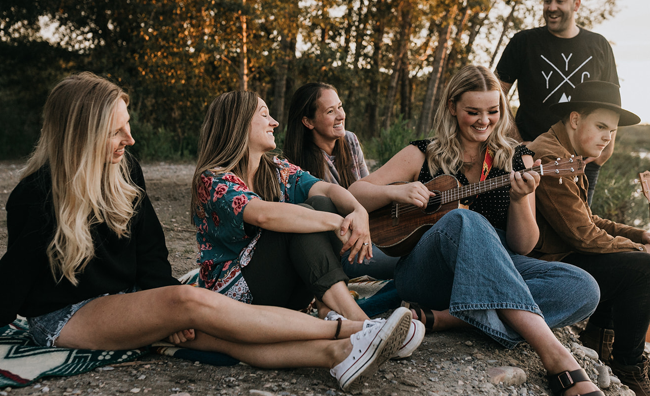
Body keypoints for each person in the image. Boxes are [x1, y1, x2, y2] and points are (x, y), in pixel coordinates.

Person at [0, 72, 415, 392]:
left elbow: (151, 252)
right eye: (116, 131)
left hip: (130, 300)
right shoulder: (36, 196)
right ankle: (355, 329)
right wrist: (166, 306)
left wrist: (158, 305)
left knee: (219, 336)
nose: (131, 138)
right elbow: (13, 279)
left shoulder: (124, 171)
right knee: (188, 300)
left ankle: (339, 355)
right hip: (69, 314)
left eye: (127, 126)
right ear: (82, 135)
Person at [349, 65, 604, 396]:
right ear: (452, 107)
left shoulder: (518, 158)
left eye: (493, 111)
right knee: (463, 219)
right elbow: (356, 191)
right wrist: (395, 192)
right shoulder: (422, 153)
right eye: (473, 112)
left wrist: (519, 199)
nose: (484, 120)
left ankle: (447, 318)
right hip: (428, 274)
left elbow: (523, 246)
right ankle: (555, 355)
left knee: (583, 287)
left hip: (500, 264)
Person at [191, 90, 424, 358]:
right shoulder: (213, 180)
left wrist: (358, 211)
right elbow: (264, 215)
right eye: (264, 115)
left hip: (283, 291)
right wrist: (337, 222)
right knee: (298, 219)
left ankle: (337, 315)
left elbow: (327, 189)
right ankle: (362, 323)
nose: (275, 122)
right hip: (235, 298)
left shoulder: (276, 169)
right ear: (238, 124)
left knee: (320, 203)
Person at [528, 81, 650, 395]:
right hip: (544, 265)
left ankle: (598, 344)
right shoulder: (551, 157)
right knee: (643, 268)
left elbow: (587, 219)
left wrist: (639, 233)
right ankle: (629, 367)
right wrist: (639, 248)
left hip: (558, 254)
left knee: (627, 256)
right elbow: (583, 236)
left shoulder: (566, 151)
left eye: (612, 131)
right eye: (601, 127)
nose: (608, 137)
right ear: (575, 119)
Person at [496, 0, 619, 205]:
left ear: (576, 4)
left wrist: (604, 153)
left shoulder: (599, 45)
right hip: (530, 159)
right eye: (547, 0)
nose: (551, 7)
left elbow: (613, 104)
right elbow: (495, 94)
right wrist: (517, 142)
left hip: (582, 163)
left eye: (560, 0)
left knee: (579, 226)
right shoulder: (523, 42)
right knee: (522, 224)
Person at [284, 82, 399, 279]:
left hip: (371, 233)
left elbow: (367, 189)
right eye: (330, 111)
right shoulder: (297, 168)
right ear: (308, 122)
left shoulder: (350, 141)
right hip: (344, 250)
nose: (341, 116)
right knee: (409, 261)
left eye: (340, 107)